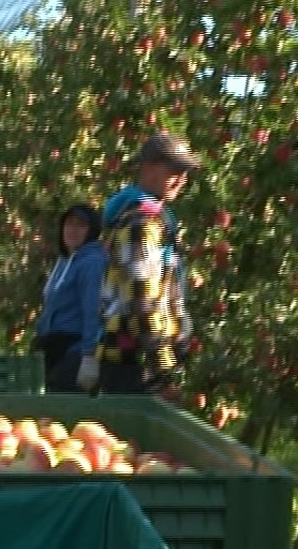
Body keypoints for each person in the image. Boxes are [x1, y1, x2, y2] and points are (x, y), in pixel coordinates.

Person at [95, 132, 199, 397]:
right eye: (174, 170)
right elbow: (140, 300)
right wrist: (162, 368)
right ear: (148, 167)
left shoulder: (152, 219)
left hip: (132, 358)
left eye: (185, 172)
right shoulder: (141, 225)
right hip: (134, 361)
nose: (182, 179)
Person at [33, 202, 105, 393]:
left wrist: (89, 356)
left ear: (92, 230)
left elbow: (93, 310)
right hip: (53, 347)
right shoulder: (65, 261)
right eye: (69, 224)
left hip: (75, 349)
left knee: (61, 401)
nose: (73, 230)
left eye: (81, 225)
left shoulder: (92, 262)